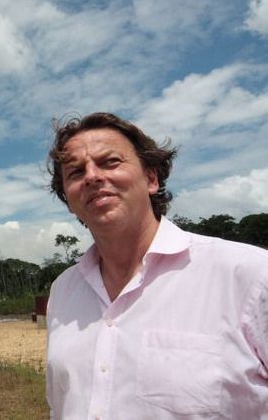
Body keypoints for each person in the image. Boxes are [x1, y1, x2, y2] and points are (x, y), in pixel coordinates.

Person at [44, 112, 268, 419]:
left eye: (110, 162)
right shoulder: (63, 291)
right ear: (69, 201)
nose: (92, 176)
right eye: (75, 172)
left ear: (151, 179)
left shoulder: (250, 276)